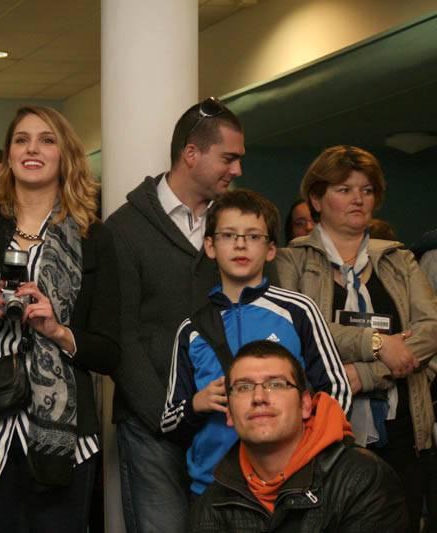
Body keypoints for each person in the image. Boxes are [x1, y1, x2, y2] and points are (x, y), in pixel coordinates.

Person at [0, 105, 120, 532]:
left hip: (66, 437)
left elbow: (110, 351)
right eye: (21, 140)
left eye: (47, 140)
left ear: (65, 154)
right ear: (8, 155)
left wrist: (58, 330)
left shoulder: (93, 236)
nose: (32, 149)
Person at [276, 145, 437, 531]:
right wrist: (378, 343)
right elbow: (302, 330)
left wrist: (363, 375)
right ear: (317, 199)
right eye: (344, 189)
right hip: (321, 430)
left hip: (402, 431)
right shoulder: (291, 260)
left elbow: (430, 330)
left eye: (366, 190)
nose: (358, 199)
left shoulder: (399, 259)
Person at [105, 97, 244, 530]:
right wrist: (166, 414)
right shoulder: (124, 229)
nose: (238, 170)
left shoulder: (237, 226)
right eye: (229, 158)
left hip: (227, 421)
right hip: (152, 428)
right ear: (191, 154)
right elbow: (121, 336)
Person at [160, 188, 351, 497]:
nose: (240, 244)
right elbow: (168, 422)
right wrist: (197, 404)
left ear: (271, 249)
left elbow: (336, 392)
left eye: (253, 236)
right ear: (210, 246)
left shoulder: (298, 310)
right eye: (228, 235)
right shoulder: (191, 329)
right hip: (212, 487)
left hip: (292, 483)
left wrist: (309, 455)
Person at [190, 340, 408, 532]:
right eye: (244, 387)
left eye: (276, 384)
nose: (258, 397)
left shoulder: (361, 480)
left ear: (305, 404)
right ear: (229, 412)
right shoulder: (213, 503)